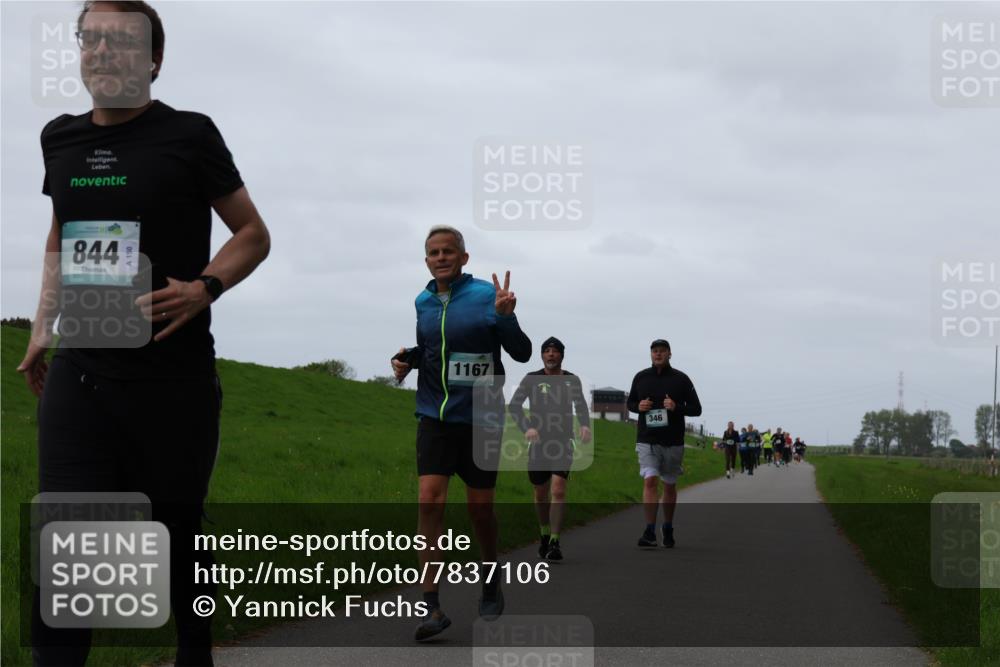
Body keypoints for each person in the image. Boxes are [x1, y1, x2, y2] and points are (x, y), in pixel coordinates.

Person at [17, 3, 271, 665]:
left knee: (178, 535)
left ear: (154, 59)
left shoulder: (189, 135)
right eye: (90, 38)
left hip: (172, 378)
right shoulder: (59, 138)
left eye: (122, 41)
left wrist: (204, 287)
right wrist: (43, 326)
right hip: (81, 371)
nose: (103, 51)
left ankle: (196, 651)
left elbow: (252, 234)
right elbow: (62, 234)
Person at [392, 225, 531, 640]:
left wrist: (506, 318)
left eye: (448, 251)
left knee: (480, 511)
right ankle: (430, 606)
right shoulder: (423, 301)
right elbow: (434, 352)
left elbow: (521, 352)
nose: (441, 257)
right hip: (434, 416)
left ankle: (490, 575)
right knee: (429, 501)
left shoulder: (488, 296)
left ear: (464, 257)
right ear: (427, 260)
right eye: (433, 252)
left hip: (483, 418)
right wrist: (407, 360)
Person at [509, 337, 592, 561]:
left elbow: (581, 405)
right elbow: (515, 406)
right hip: (538, 443)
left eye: (555, 351)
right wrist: (527, 428)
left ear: (562, 356)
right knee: (540, 492)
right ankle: (544, 534)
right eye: (547, 351)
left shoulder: (571, 380)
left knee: (558, 489)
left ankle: (555, 540)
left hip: (563, 441)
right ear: (542, 355)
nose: (551, 354)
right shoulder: (531, 379)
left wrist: (584, 424)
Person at [627, 339, 702, 548]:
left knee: (669, 485)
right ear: (650, 354)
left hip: (673, 441)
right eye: (654, 351)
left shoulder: (681, 379)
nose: (658, 354)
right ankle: (650, 531)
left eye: (662, 351)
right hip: (647, 439)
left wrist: (676, 407)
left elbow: (697, 409)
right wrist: (638, 406)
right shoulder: (641, 377)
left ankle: (667, 526)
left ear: (669, 354)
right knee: (650, 481)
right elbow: (630, 402)